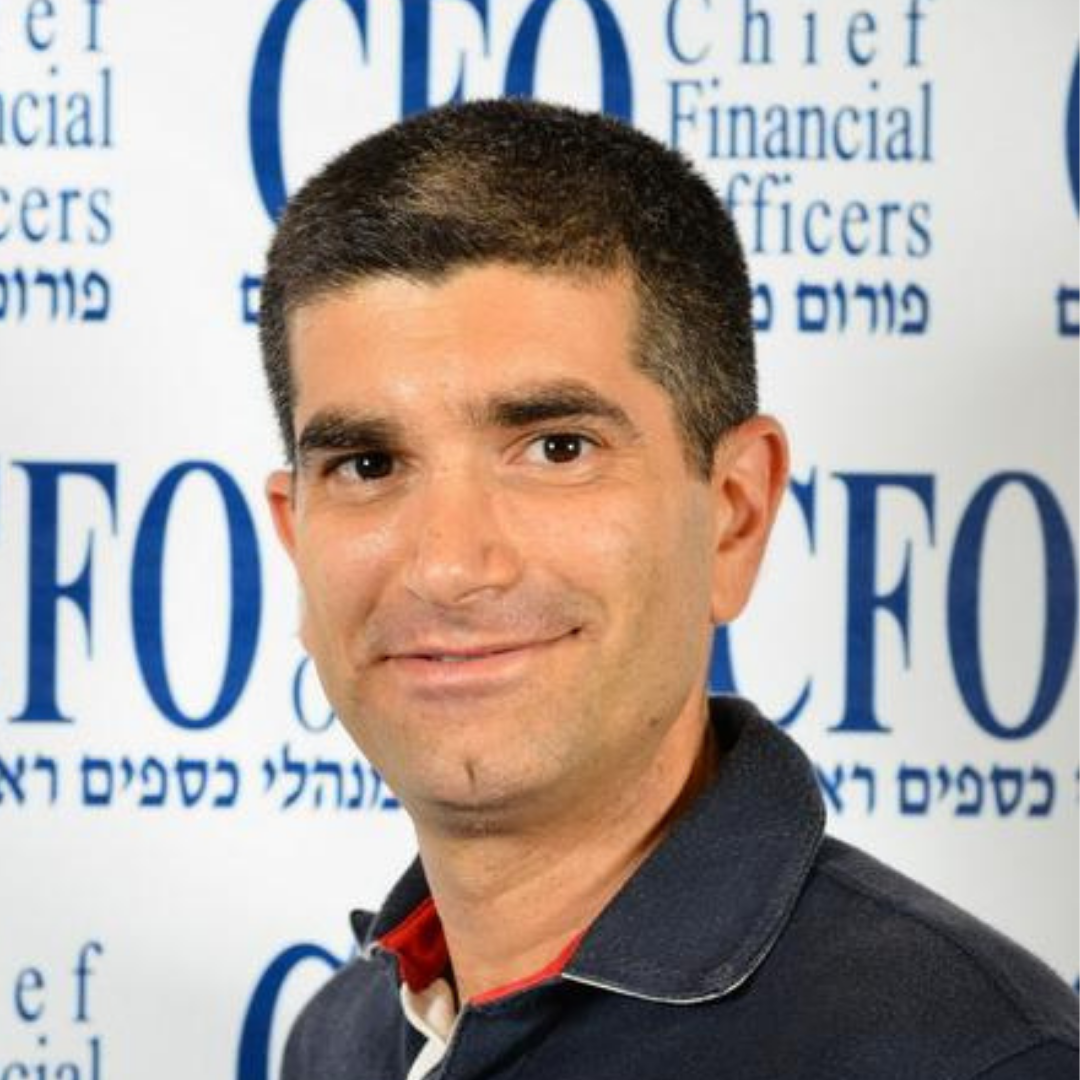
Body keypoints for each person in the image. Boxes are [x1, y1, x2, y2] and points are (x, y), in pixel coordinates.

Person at [260, 99, 1080, 1079]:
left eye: (558, 449)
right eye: (366, 465)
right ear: (296, 540)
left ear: (734, 513)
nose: (449, 565)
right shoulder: (341, 1040)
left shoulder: (977, 1061)